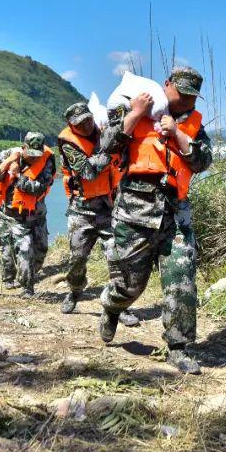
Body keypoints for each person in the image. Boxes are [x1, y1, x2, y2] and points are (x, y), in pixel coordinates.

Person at [98, 66, 213, 374]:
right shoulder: (132, 106)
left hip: (175, 215)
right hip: (134, 214)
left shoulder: (192, 123)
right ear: (167, 86)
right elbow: (107, 145)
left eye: (192, 96)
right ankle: (112, 306)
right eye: (181, 94)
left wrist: (176, 131)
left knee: (181, 281)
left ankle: (179, 347)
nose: (186, 101)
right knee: (130, 285)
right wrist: (135, 114)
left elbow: (203, 161)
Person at [56, 102, 139, 326]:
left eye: (88, 119)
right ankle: (74, 291)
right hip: (81, 209)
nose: (86, 125)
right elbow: (88, 171)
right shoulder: (67, 142)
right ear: (70, 125)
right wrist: (109, 148)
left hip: (107, 208)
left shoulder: (106, 134)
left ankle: (118, 305)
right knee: (77, 259)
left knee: (117, 257)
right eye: (80, 123)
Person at [0, 131, 55, 295]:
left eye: (38, 154)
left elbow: (39, 188)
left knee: (41, 250)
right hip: (13, 215)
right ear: (23, 148)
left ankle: (27, 274)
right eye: (31, 154)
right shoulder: (6, 155)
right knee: (24, 249)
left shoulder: (47, 160)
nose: (35, 158)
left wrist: (17, 175)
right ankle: (27, 288)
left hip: (37, 214)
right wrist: (7, 164)